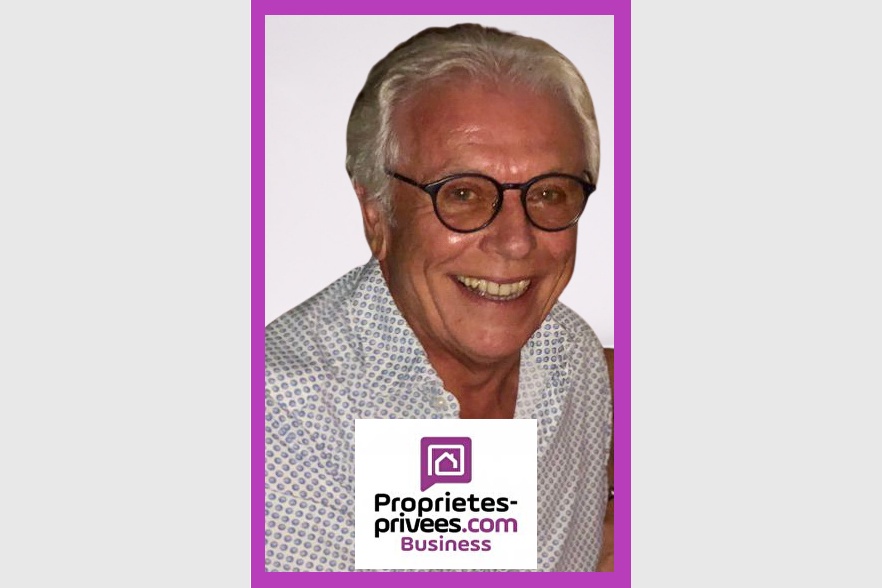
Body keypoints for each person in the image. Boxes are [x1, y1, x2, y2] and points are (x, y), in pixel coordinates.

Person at [265, 23, 612, 572]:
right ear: (377, 214)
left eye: (549, 193)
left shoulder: (573, 357)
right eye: (463, 193)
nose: (516, 241)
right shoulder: (282, 416)